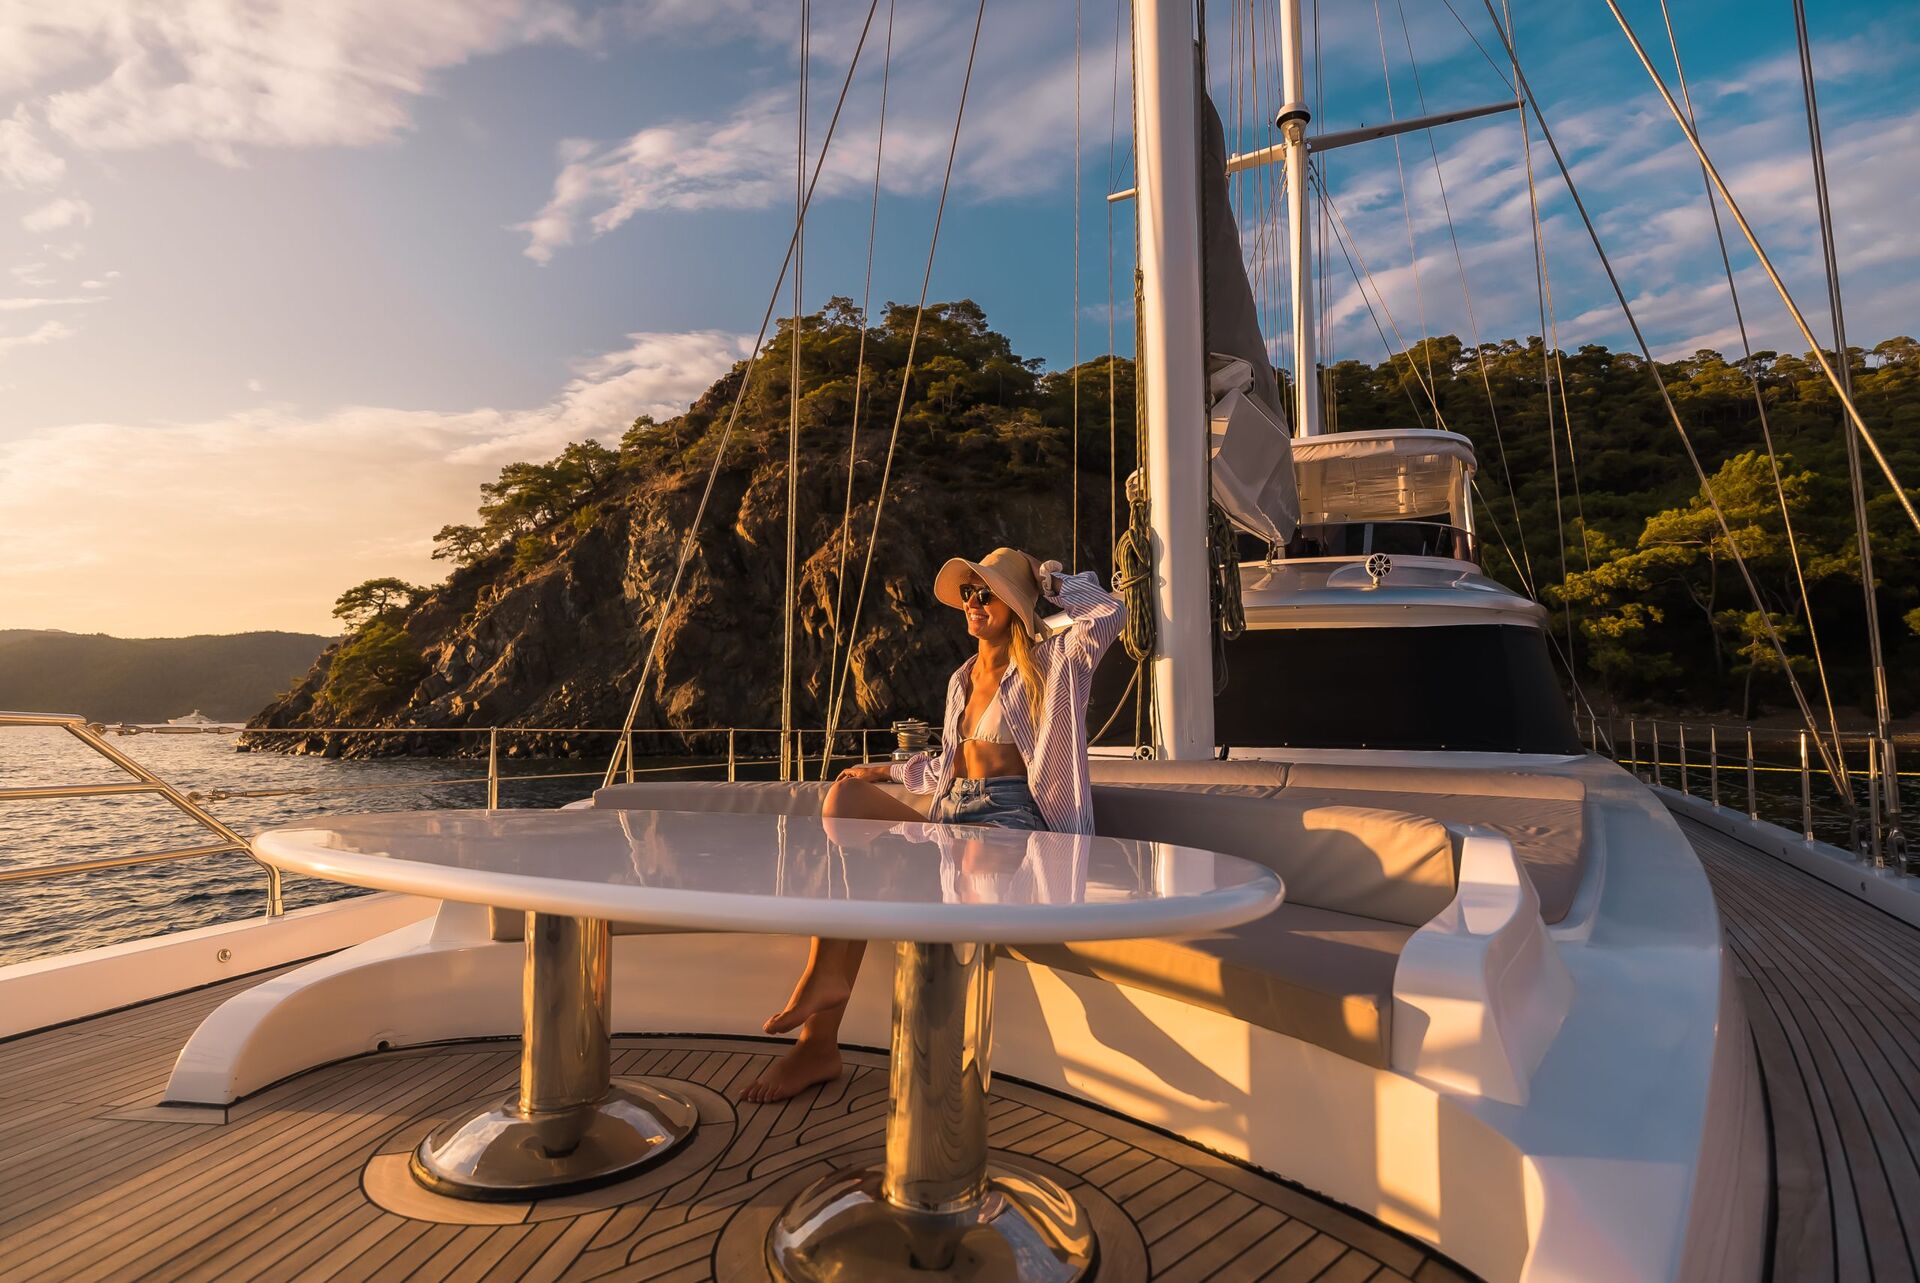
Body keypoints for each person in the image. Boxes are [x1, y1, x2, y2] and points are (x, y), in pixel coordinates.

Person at [738, 546, 1126, 1103]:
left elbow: (1110, 614)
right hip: (951, 814)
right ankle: (819, 1032)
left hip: (1011, 820)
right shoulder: (962, 679)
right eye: (968, 593)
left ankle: (921, 1063)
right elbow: (948, 766)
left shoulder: (1052, 664)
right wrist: (884, 770)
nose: (972, 601)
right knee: (845, 800)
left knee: (950, 870)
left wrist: (1051, 585)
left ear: (1016, 604)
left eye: (986, 591)